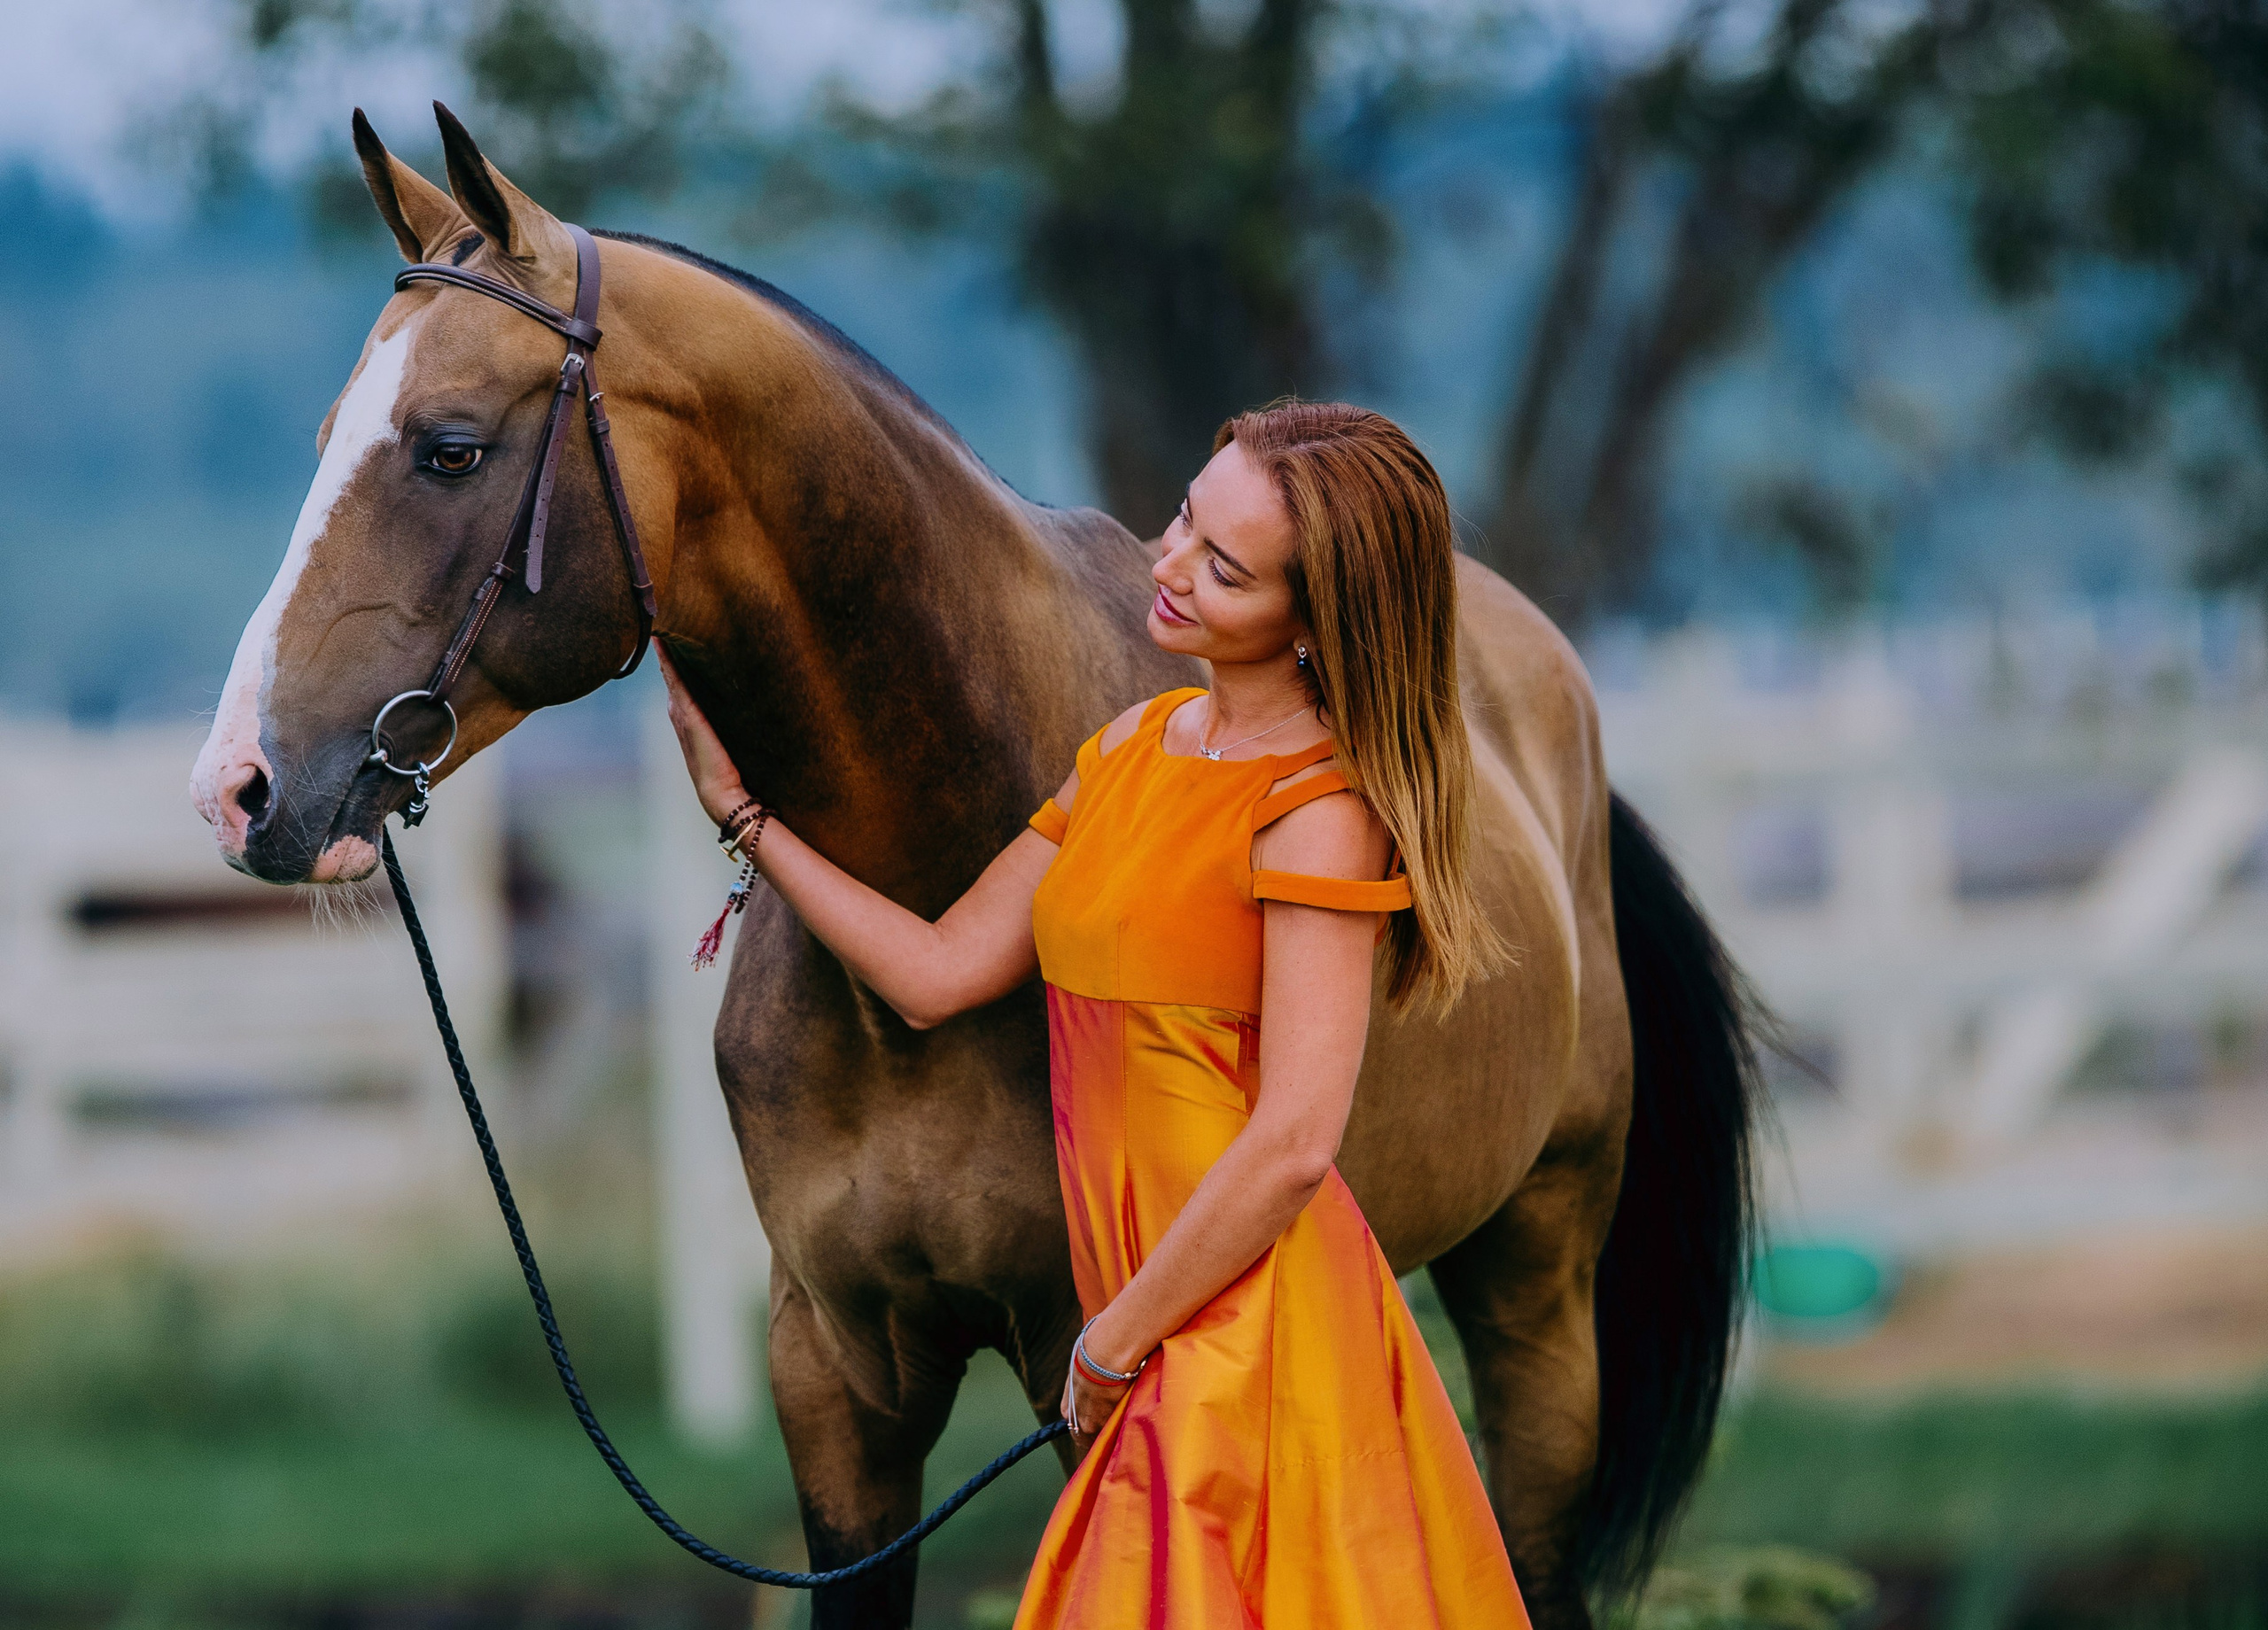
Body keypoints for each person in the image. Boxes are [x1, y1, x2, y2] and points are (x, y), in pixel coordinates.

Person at [659, 401, 1526, 1627]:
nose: (1165, 567)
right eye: (1184, 518)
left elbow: (1292, 1143)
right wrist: (747, 818)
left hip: (1240, 1321)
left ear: (1317, 622)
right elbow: (937, 970)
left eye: (1224, 570)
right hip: (1142, 1316)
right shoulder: (1129, 748)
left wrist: (1114, 1339)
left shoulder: (1317, 809)